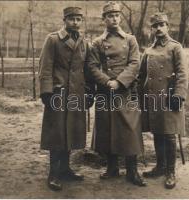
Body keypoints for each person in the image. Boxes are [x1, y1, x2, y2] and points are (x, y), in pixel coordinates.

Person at [87, 1, 146, 187]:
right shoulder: (97, 42)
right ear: (104, 19)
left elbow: (135, 63)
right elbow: (92, 66)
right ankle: (112, 168)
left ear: (120, 17)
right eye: (110, 15)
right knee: (108, 128)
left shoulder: (130, 39)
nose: (114, 18)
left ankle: (132, 171)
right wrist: (107, 82)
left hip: (125, 91)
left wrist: (119, 82)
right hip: (105, 92)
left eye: (116, 15)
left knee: (129, 129)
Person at [38, 6, 93, 191]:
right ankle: (53, 173)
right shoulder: (53, 39)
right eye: (71, 19)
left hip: (76, 94)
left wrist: (89, 92)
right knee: (57, 134)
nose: (75, 22)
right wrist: (46, 92)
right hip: (58, 94)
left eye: (78, 19)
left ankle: (66, 169)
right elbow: (45, 67)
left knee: (70, 131)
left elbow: (87, 70)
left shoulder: (84, 42)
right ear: (64, 20)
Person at [139, 13, 189, 189]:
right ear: (151, 29)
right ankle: (160, 167)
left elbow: (183, 74)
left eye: (162, 24)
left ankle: (170, 171)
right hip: (153, 98)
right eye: (155, 25)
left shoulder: (175, 48)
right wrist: (139, 96)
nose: (159, 28)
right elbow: (141, 75)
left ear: (168, 26)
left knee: (169, 134)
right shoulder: (148, 50)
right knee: (158, 132)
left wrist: (179, 95)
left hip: (169, 98)